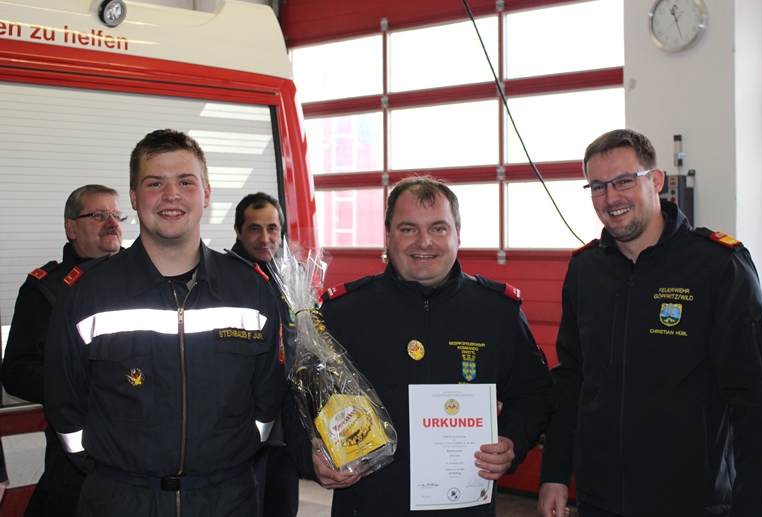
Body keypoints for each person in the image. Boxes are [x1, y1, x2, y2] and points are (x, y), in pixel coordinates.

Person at [538, 129, 762, 517]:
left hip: (692, 501)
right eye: (598, 187)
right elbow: (572, 381)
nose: (611, 198)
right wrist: (554, 473)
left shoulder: (719, 266)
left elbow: (756, 397)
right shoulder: (585, 270)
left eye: (624, 181)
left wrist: (752, 508)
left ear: (655, 180)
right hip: (600, 499)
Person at [43, 129, 285, 517]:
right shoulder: (87, 295)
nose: (171, 195)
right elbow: (64, 403)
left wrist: (231, 455)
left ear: (206, 194)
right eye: (155, 183)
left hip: (227, 500)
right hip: (119, 502)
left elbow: (268, 397)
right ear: (134, 197)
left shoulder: (252, 291)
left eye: (186, 182)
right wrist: (113, 473)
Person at [300, 175, 555, 516]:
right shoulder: (343, 313)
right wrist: (311, 457)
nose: (424, 242)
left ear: (457, 235)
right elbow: (297, 401)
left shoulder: (498, 313)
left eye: (438, 228)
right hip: (368, 507)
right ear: (388, 235)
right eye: (408, 229)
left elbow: (534, 394)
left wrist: (512, 441)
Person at [0, 184, 124, 517]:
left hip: (145, 457)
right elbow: (16, 372)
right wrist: (83, 384)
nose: (113, 223)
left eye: (117, 215)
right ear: (71, 227)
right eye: (99, 215)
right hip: (77, 462)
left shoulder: (144, 281)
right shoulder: (48, 290)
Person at [231, 192, 299, 517]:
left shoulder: (291, 275)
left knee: (282, 503)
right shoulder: (224, 279)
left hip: (287, 419)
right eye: (254, 229)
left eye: (272, 228)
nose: (265, 238)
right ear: (238, 231)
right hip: (242, 422)